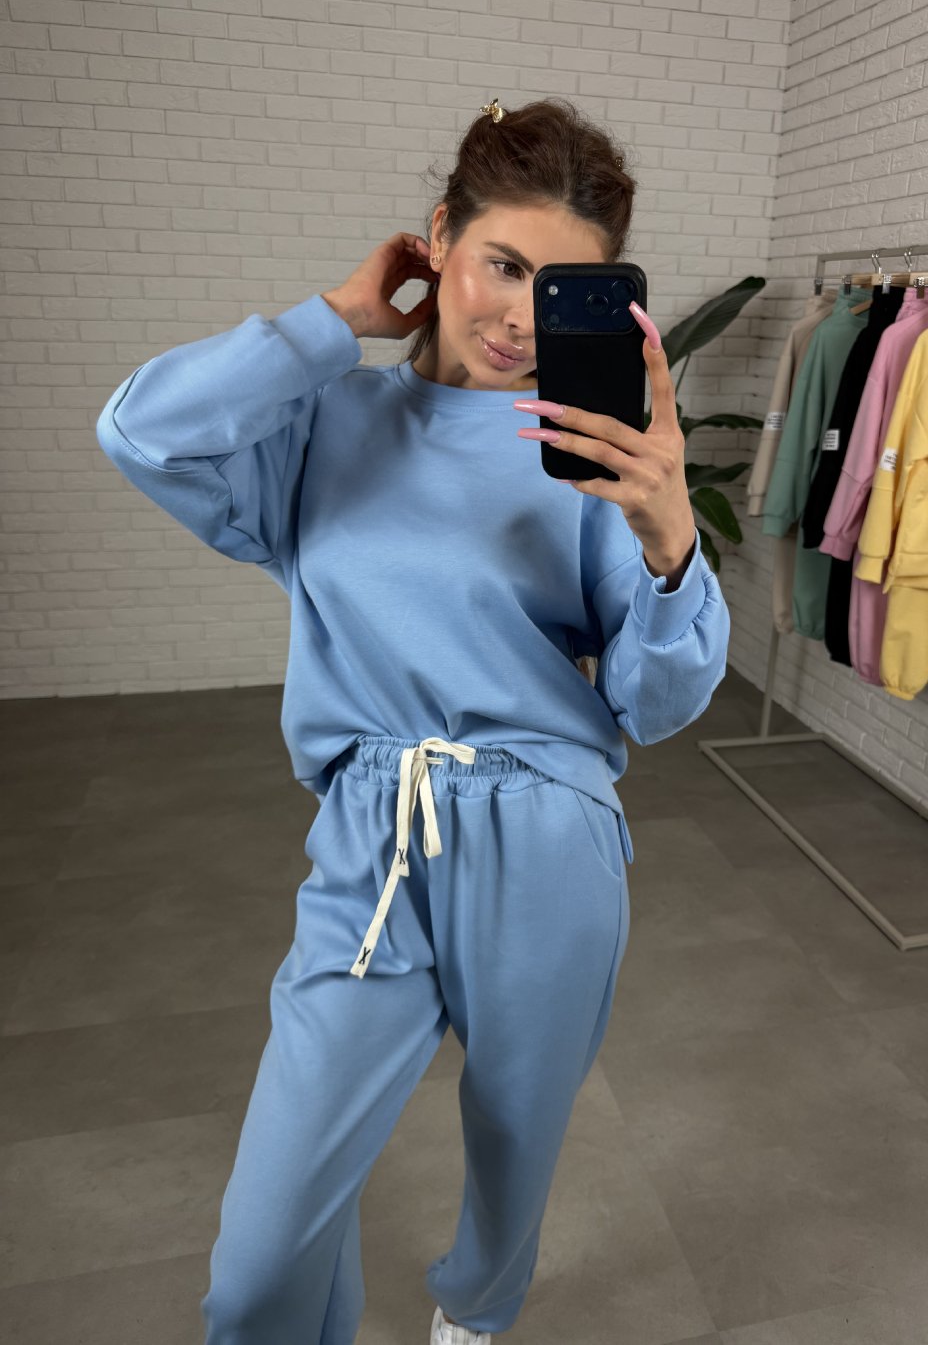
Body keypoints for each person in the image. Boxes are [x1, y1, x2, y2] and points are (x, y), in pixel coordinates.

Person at [95, 96, 731, 1345]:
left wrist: (668, 542)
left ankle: (478, 1311)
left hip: (546, 841)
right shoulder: (323, 419)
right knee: (260, 1260)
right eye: (502, 263)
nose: (518, 316)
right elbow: (140, 432)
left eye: (558, 289)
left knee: (517, 1134)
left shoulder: (593, 453)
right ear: (436, 237)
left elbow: (656, 704)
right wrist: (331, 322)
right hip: (370, 848)